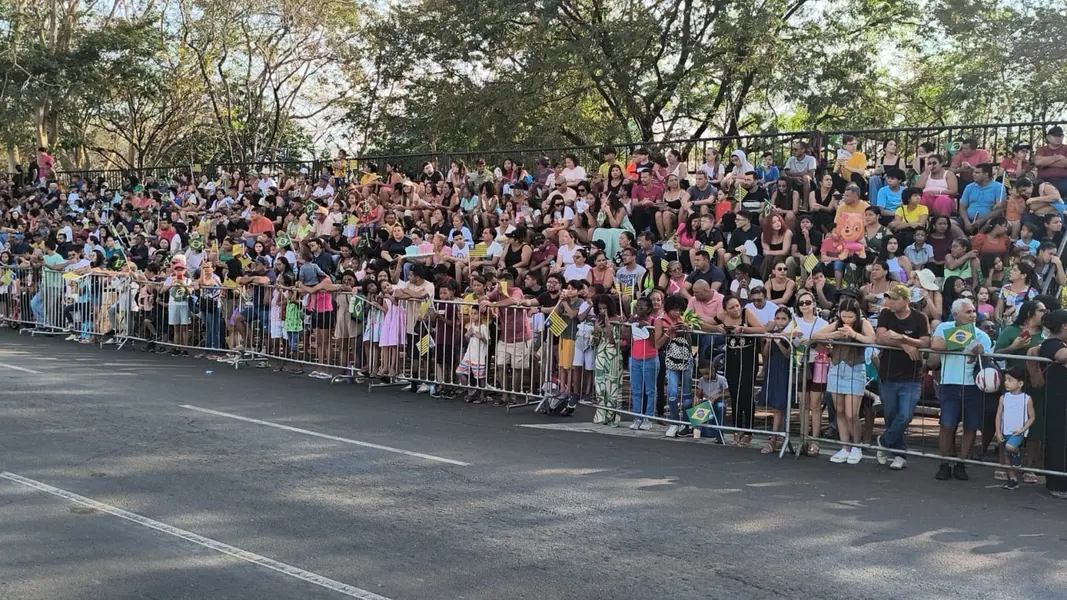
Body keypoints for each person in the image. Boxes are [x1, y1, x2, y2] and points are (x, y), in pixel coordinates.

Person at [931, 297, 993, 481]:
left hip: (973, 386)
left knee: (970, 427)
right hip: (949, 383)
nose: (973, 315)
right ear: (955, 314)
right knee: (947, 425)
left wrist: (976, 354)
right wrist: (965, 341)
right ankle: (944, 463)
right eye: (968, 312)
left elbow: (986, 360)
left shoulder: (982, 336)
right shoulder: (944, 327)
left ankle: (961, 464)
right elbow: (936, 345)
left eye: (974, 311)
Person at [813, 297, 877, 464]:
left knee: (852, 413)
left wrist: (853, 334)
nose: (847, 320)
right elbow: (816, 335)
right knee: (839, 411)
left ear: (857, 314)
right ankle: (844, 447)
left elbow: (872, 339)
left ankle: (856, 446)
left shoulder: (863, 323)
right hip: (836, 369)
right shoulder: (837, 324)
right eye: (844, 316)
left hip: (855, 369)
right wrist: (834, 335)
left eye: (851, 316)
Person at [875, 283, 931, 470]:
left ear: (906, 300)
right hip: (888, 374)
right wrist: (904, 345)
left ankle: (884, 441)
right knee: (891, 416)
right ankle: (899, 454)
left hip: (911, 376)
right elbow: (880, 337)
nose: (890, 302)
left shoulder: (920, 317)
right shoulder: (885, 314)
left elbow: (925, 342)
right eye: (889, 298)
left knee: (905, 416)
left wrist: (903, 338)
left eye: (894, 299)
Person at [1038, 308, 1067, 498]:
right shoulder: (1051, 344)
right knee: (1058, 440)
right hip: (1057, 399)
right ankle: (1057, 483)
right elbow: (1063, 356)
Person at [995, 366, 1036, 490]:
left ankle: (1017, 455)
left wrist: (1022, 429)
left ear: (1020, 383)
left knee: (1010, 447)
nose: (1006, 382)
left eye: (1010, 380)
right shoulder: (1003, 398)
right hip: (1005, 430)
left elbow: (1032, 417)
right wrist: (998, 431)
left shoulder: (1026, 399)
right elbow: (999, 415)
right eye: (1006, 379)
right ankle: (1012, 479)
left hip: (1017, 432)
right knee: (1006, 455)